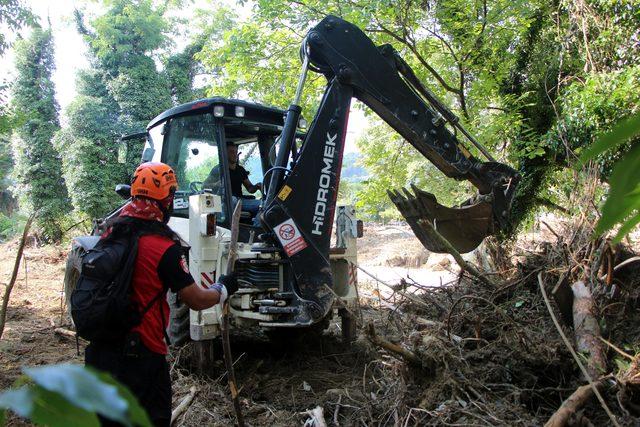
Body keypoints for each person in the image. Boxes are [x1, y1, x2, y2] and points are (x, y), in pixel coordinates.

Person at [84, 162, 238, 427]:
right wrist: (222, 288)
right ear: (166, 200)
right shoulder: (163, 248)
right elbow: (197, 300)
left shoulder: (110, 232)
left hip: (100, 354)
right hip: (141, 359)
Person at [204, 142, 262, 220]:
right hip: (225, 201)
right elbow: (204, 185)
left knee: (264, 205)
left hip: (240, 201)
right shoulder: (218, 169)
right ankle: (228, 223)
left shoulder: (240, 170)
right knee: (233, 199)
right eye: (231, 152)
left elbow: (250, 188)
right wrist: (217, 184)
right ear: (225, 154)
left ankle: (256, 229)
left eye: (235, 152)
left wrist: (257, 186)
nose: (235, 155)